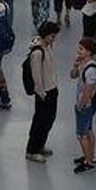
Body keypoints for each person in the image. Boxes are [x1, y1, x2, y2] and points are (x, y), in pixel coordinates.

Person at [24, 21, 61, 161]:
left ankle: (40, 145)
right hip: (44, 93)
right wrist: (41, 93)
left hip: (52, 89)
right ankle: (32, 149)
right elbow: (37, 76)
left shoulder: (47, 48)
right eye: (52, 36)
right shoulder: (38, 53)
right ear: (45, 35)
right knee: (40, 121)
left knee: (49, 120)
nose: (53, 39)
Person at [70, 37, 96, 173]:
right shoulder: (83, 64)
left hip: (85, 106)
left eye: (81, 49)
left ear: (89, 52)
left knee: (81, 134)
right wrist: (75, 65)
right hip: (86, 105)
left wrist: (81, 105)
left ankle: (89, 162)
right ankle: (89, 156)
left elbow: (88, 91)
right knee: (88, 130)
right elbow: (72, 75)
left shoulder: (91, 70)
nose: (78, 51)